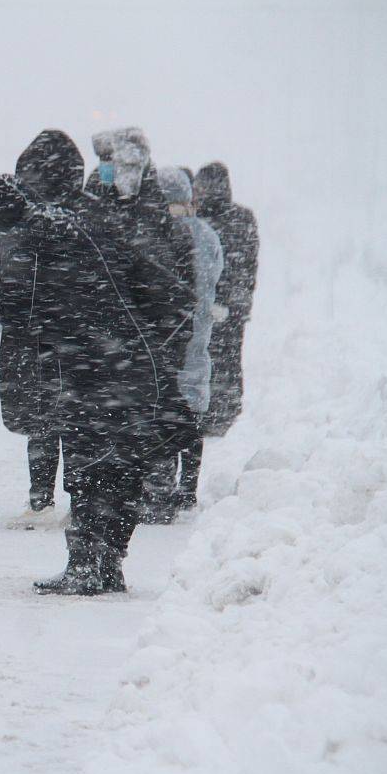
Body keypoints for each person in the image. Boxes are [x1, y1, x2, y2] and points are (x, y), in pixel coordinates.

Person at [0, 129, 160, 595]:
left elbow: (27, 311)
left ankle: (87, 566)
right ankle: (107, 564)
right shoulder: (91, 219)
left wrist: (0, 295)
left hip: (87, 367)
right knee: (117, 465)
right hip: (124, 361)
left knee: (89, 467)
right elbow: (148, 286)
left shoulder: (47, 235)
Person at [87, 128, 196, 524]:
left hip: (143, 337)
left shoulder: (151, 221)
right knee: (128, 419)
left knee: (144, 417)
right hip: (124, 338)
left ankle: (148, 493)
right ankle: (126, 495)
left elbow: (181, 290)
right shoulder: (101, 210)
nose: (113, 170)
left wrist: (168, 335)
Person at [157, 166, 224, 510]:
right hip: (198, 332)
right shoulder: (207, 235)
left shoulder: (160, 233)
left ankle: (163, 485)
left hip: (167, 333)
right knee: (193, 410)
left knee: (165, 410)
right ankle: (188, 488)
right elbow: (215, 276)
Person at [193, 161, 260, 436]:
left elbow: (240, 264)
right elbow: (248, 264)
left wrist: (223, 299)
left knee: (214, 355)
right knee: (227, 355)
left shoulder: (203, 221)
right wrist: (239, 300)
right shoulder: (242, 217)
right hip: (231, 303)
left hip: (215, 302)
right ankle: (226, 407)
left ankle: (216, 410)